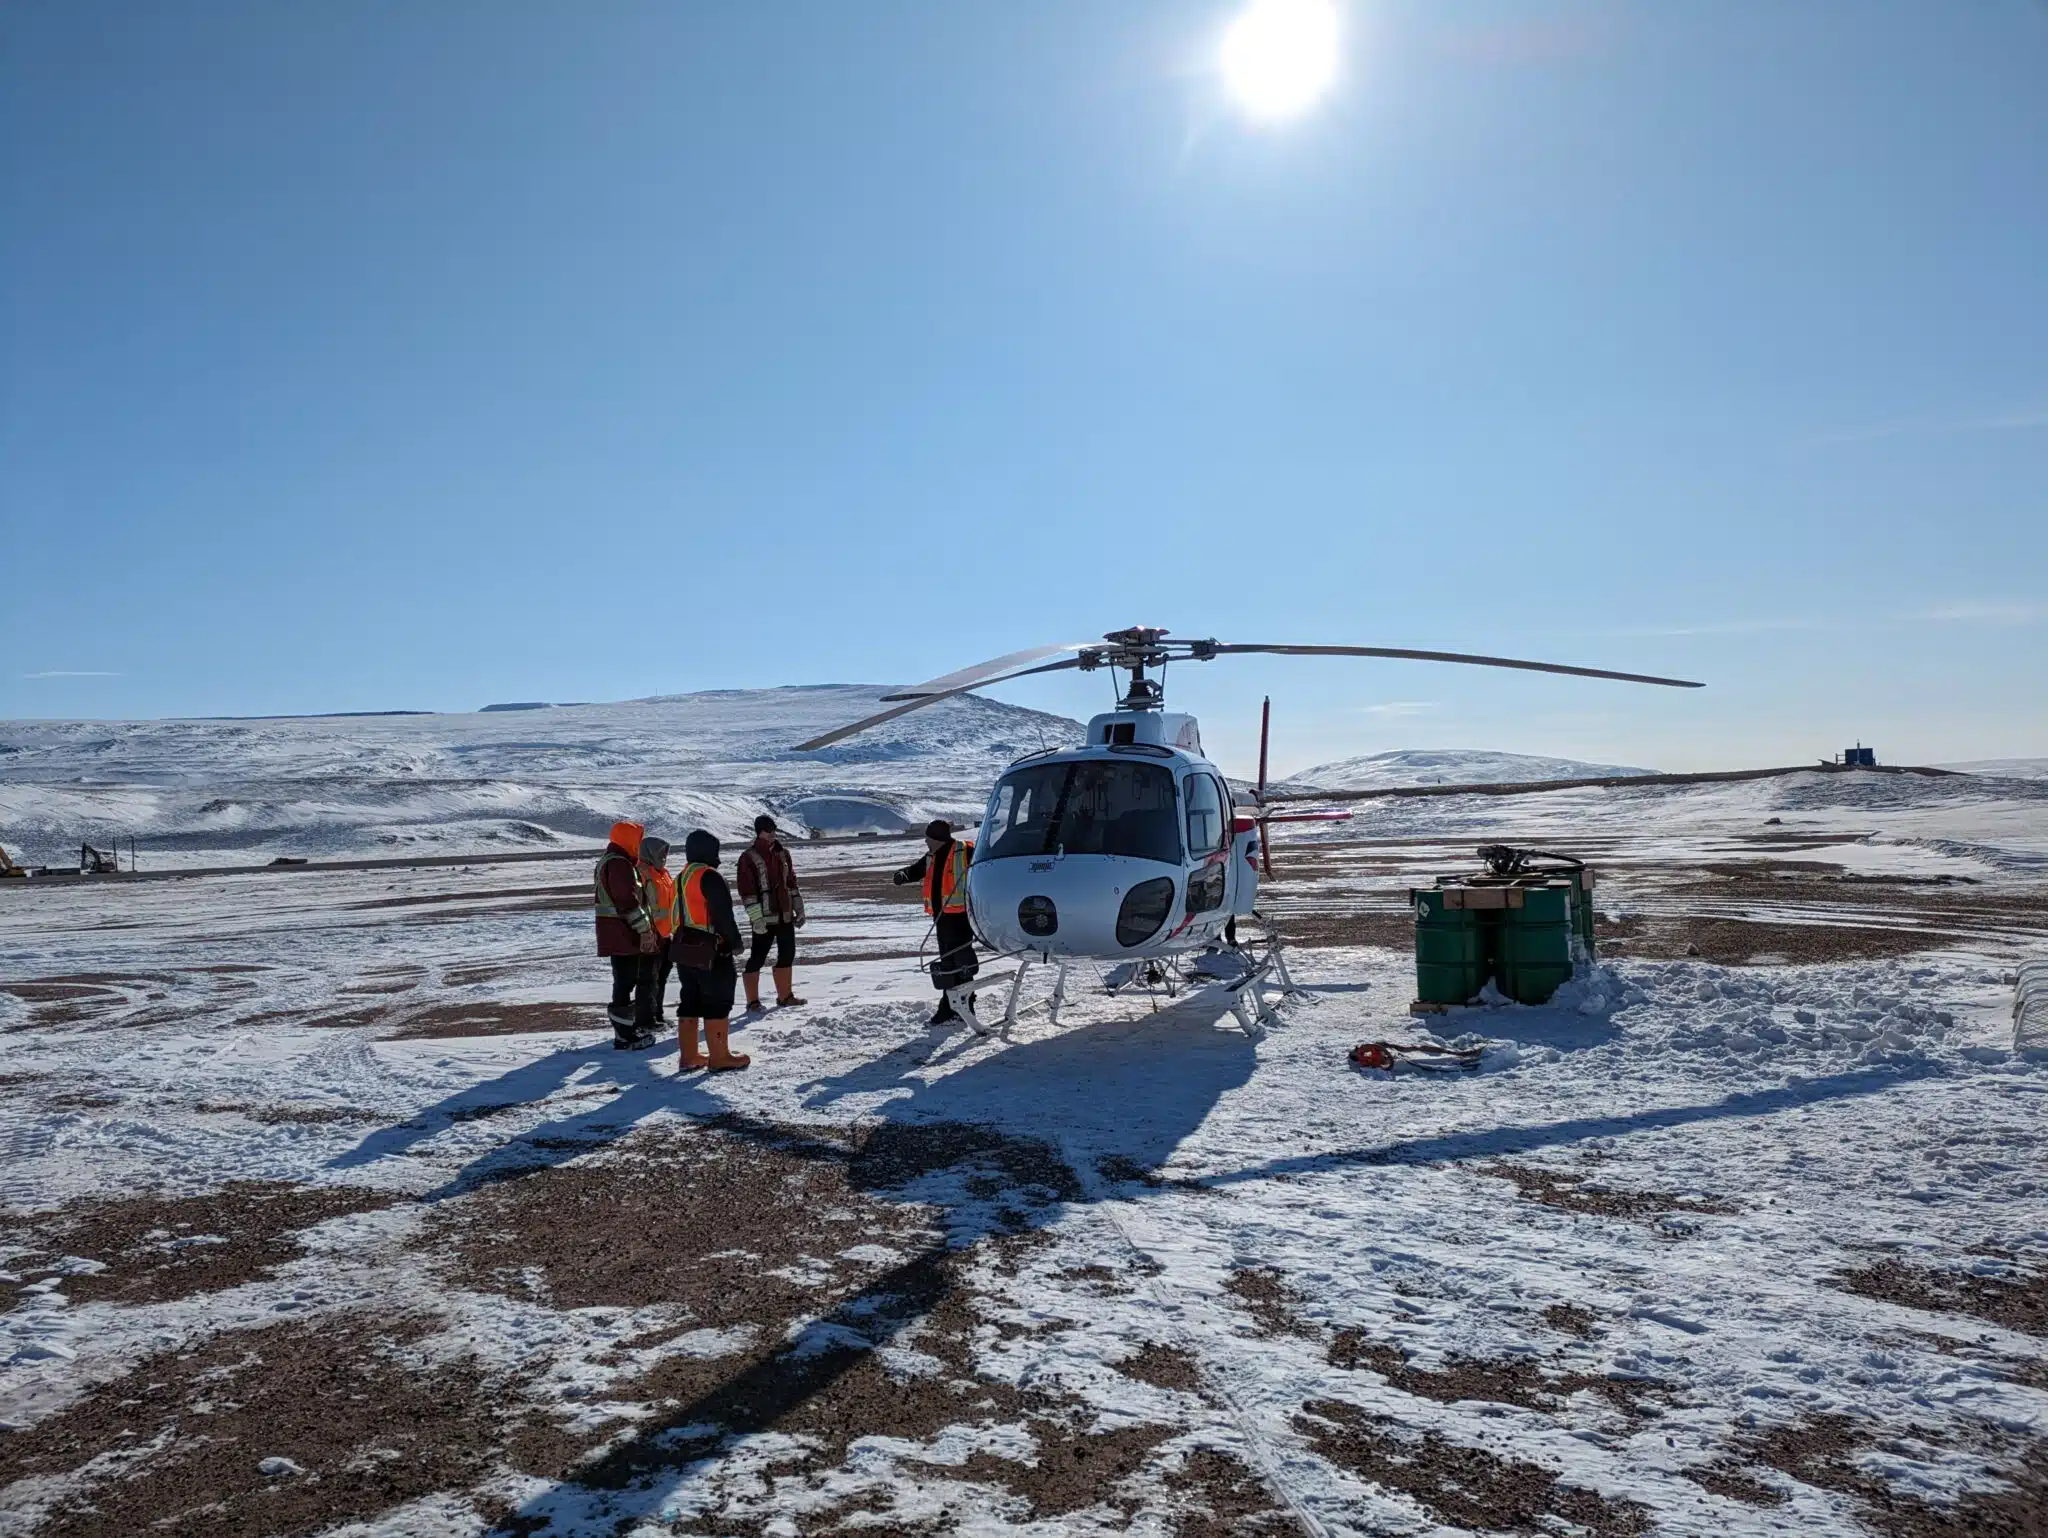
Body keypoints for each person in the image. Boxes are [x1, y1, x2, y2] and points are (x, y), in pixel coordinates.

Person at [893, 819, 983, 1033]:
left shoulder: (965, 851)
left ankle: (960, 1006)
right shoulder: (931, 856)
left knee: (959, 962)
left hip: (960, 918)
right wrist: (902, 876)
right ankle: (954, 1006)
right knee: (948, 963)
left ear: (936, 838)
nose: (925, 841)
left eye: (928, 837)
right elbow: (915, 870)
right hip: (942, 919)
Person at [673, 827, 750, 1072]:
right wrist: (734, 942)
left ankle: (690, 1056)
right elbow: (722, 915)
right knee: (718, 999)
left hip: (684, 948)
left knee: (690, 1000)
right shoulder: (710, 876)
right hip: (711, 948)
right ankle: (719, 1057)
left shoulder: (681, 876)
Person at [593, 820, 659, 1049]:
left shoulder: (615, 861)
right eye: (638, 840)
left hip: (618, 932)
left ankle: (627, 1028)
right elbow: (627, 901)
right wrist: (645, 929)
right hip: (621, 933)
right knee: (625, 981)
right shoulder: (619, 865)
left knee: (625, 981)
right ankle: (624, 1035)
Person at [737, 813, 806, 1012]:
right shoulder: (748, 858)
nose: (773, 834)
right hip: (764, 919)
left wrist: (798, 908)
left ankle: (785, 997)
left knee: (787, 954)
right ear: (759, 833)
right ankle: (752, 1001)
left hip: (785, 915)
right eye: (769, 831)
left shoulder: (783, 854)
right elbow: (747, 892)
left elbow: (791, 883)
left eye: (774, 830)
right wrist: (756, 919)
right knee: (757, 957)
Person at [638, 835, 679, 1025]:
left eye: (665, 854)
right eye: (661, 854)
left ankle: (658, 1014)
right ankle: (646, 1019)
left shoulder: (663, 874)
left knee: (661, 977)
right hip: (650, 935)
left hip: (665, 935)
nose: (664, 857)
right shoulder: (642, 874)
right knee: (648, 979)